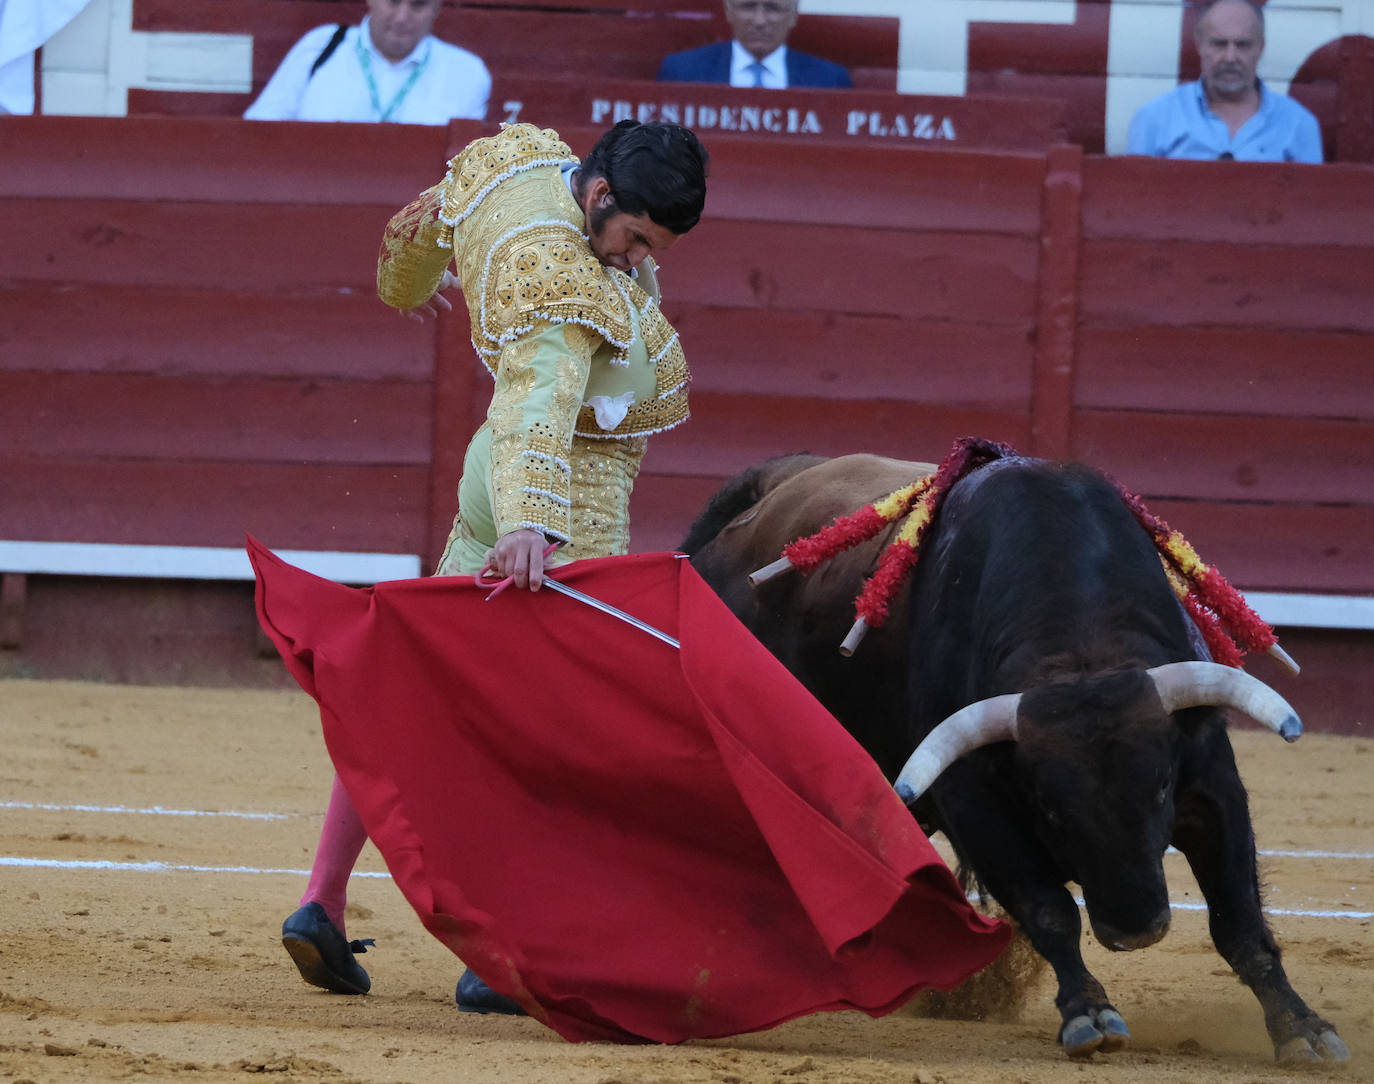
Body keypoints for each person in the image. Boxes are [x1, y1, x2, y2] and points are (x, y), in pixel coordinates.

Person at [280, 119, 710, 1012]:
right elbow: (539, 402)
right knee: (556, 726)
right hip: (560, 505)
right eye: (633, 239)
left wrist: (409, 288)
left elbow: (417, 228)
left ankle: (321, 900)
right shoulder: (561, 282)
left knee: (405, 689)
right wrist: (533, 525)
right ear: (599, 198)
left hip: (494, 479)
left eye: (652, 250)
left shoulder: (518, 164)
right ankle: (503, 955)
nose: (633, 262)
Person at [1125, 0, 1322, 162]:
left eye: (1243, 45)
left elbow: (1312, 205)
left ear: (1261, 47)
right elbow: (1133, 198)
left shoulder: (1299, 124)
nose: (1230, 57)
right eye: (1219, 44)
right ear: (1200, 45)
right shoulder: (1154, 119)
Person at [244, 0, 490, 124]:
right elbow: (260, 129)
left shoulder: (467, 74)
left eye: (418, 4)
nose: (402, 17)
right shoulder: (319, 47)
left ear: (436, 8)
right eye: (393, 1)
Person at [657, 0, 850, 89]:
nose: (759, 21)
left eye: (772, 8)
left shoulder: (829, 80)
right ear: (728, 11)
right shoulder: (682, 72)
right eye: (748, 6)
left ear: (793, 14)